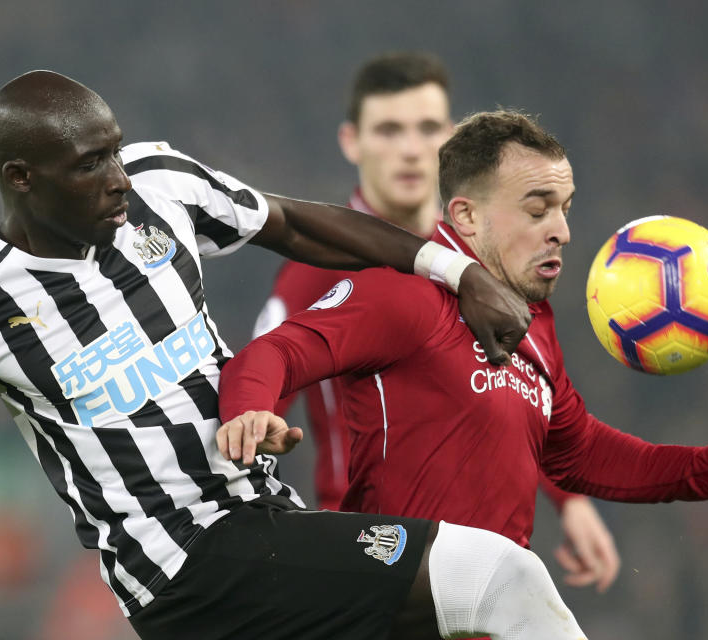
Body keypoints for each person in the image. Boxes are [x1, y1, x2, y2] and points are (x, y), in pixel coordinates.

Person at [0, 70, 594, 640]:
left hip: (265, 518)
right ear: (21, 177)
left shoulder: (159, 185)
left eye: (116, 151)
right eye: (91, 164)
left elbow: (293, 225)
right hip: (187, 564)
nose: (118, 178)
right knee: (501, 580)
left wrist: (456, 273)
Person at [217, 109, 708, 630]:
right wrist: (249, 408)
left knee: (517, 580)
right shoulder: (406, 298)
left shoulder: (532, 325)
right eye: (538, 208)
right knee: (519, 582)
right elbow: (276, 351)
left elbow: (579, 451)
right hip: (399, 612)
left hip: (487, 620)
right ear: (466, 217)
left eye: (566, 209)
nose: (562, 231)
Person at [254, 51, 621, 592]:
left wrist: (571, 501)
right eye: (388, 130)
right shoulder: (312, 274)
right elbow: (255, 398)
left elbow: (512, 389)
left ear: (450, 140)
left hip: (480, 559)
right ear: (351, 142)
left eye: (427, 129)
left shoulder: (492, 256)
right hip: (371, 557)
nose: (410, 149)